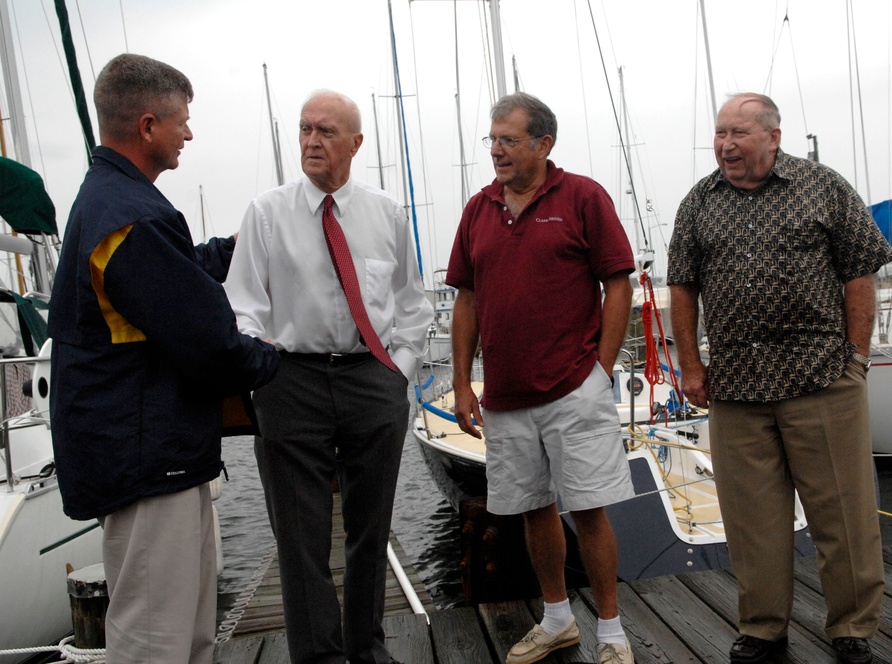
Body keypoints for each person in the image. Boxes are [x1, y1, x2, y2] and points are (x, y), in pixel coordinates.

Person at [48, 53, 280, 664]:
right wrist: (277, 360)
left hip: (153, 454)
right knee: (155, 640)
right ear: (147, 125)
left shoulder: (114, 204)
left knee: (189, 632)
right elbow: (208, 344)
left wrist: (240, 246)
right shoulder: (131, 218)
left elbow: (171, 285)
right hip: (149, 460)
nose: (189, 133)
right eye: (182, 120)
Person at [667, 92, 892, 664]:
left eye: (738, 133)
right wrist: (690, 365)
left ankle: (851, 628)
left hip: (822, 377)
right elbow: (682, 287)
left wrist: (857, 357)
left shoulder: (824, 187)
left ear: (773, 136)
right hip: (737, 386)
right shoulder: (698, 203)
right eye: (720, 134)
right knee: (752, 522)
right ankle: (763, 628)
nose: (725, 145)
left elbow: (859, 272)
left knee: (843, 514)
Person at [224, 90, 433, 664]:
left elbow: (412, 305)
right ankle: (318, 657)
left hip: (372, 378)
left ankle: (367, 648)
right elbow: (242, 304)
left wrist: (400, 373)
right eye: (305, 129)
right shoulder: (267, 213)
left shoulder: (386, 213)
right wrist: (264, 367)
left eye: (327, 131)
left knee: (372, 529)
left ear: (356, 143)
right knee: (300, 538)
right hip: (292, 382)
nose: (312, 141)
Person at [448, 92, 636, 664]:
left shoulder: (582, 197)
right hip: (504, 395)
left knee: (588, 508)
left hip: (573, 385)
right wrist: (461, 383)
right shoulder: (479, 208)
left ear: (542, 144)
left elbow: (619, 283)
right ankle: (557, 619)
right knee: (533, 509)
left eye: (508, 140)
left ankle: (610, 631)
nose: (497, 152)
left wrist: (600, 370)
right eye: (493, 140)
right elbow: (467, 299)